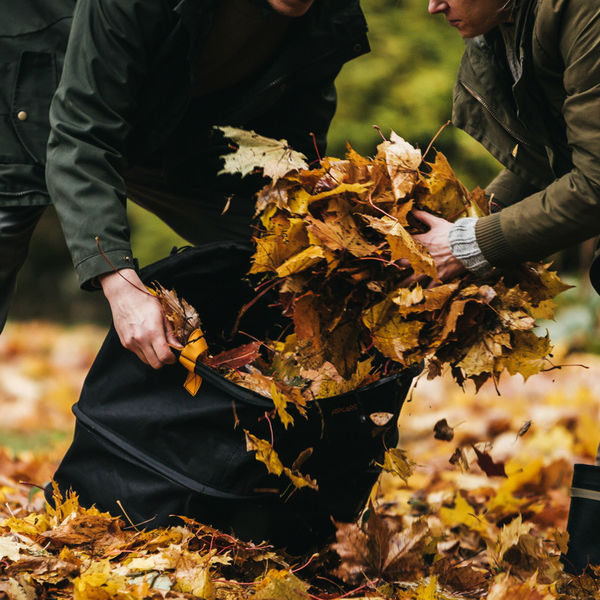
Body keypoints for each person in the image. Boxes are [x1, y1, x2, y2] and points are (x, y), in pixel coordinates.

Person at [2, 0, 369, 367]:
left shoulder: (326, 16)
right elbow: (83, 137)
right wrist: (123, 289)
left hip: (173, 123)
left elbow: (293, 158)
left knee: (278, 253)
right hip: (42, 74)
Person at [424, 0, 600, 574]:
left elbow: (596, 180)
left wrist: (476, 241)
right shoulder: (506, 30)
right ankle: (590, 567)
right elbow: (549, 161)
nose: (434, 5)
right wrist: (474, 220)